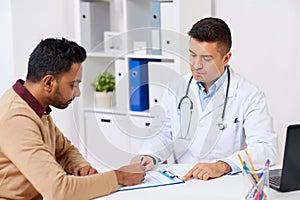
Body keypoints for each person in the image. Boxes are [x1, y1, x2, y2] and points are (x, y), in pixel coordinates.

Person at [130, 17, 278, 181]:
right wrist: (147, 156)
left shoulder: (248, 94)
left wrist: (223, 165)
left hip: (227, 182)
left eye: (206, 58)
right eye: (192, 55)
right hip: (184, 181)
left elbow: (266, 147)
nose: (196, 65)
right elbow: (161, 135)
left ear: (226, 58)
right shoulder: (176, 88)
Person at [0, 38, 145, 200]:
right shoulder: (16, 118)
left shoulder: (35, 107)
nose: (77, 93)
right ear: (48, 82)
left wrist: (80, 166)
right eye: (73, 85)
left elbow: (65, 151)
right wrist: (119, 177)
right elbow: (59, 190)